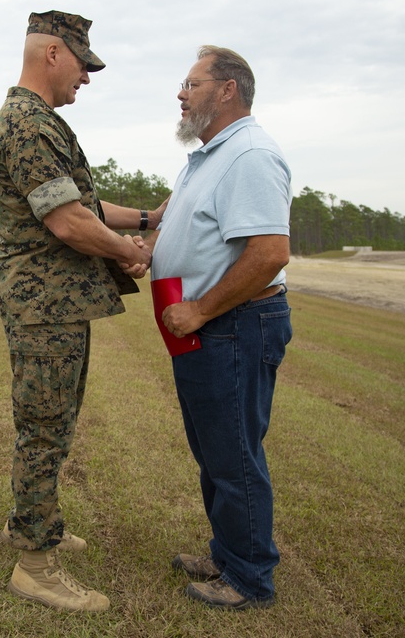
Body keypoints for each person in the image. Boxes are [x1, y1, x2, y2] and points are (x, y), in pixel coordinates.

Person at [0, 10, 161, 612]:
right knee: (45, 426)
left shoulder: (38, 124)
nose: (86, 77)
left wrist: (144, 220)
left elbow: (78, 201)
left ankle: (28, 522)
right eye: (83, 64)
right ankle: (35, 564)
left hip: (51, 298)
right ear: (53, 53)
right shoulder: (28, 127)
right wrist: (129, 252)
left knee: (48, 420)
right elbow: (67, 221)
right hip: (44, 300)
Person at [142, 46, 292, 609]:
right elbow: (180, 220)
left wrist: (202, 310)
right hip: (207, 327)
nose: (181, 94)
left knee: (234, 455)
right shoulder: (206, 158)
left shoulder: (250, 155)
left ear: (228, 90)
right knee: (214, 450)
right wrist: (150, 247)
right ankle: (229, 551)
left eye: (191, 83)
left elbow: (269, 252)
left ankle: (249, 576)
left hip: (233, 325)